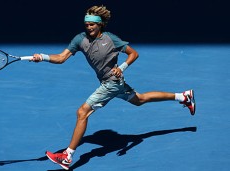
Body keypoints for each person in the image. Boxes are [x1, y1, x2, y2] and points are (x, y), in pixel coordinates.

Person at [31, 5, 196, 170]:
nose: (88, 27)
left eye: (92, 24)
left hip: (112, 82)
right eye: (86, 24)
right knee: (141, 100)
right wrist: (42, 57)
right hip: (109, 82)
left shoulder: (111, 39)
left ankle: (67, 156)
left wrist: (121, 67)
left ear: (100, 24)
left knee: (82, 112)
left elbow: (134, 53)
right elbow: (61, 58)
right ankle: (183, 96)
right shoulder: (80, 39)